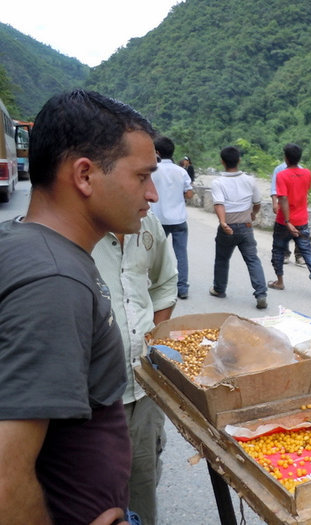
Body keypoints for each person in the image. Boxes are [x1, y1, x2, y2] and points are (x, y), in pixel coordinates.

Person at [0, 89, 159, 525]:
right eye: (142, 176)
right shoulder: (55, 283)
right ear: (85, 176)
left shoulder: (22, 241)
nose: (153, 195)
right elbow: (4, 482)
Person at [92, 211, 178, 525]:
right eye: (141, 176)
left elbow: (165, 282)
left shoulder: (148, 224)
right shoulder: (70, 230)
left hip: (143, 389)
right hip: (91, 401)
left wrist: (151, 342)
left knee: (142, 481)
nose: (152, 192)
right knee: (93, 495)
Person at [209, 146, 268, 309]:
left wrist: (223, 223)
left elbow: (219, 204)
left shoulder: (218, 182)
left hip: (228, 226)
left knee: (222, 259)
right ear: (239, 160)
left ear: (222, 162)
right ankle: (261, 294)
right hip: (246, 226)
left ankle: (219, 289)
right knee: (252, 260)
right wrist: (253, 214)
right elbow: (257, 203)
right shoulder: (249, 180)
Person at [267, 143, 311, 300]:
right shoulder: (307, 173)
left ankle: (279, 282)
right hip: (302, 219)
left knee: (278, 250)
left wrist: (287, 221)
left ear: (286, 158)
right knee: (306, 249)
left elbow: (283, 198)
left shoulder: (282, 175)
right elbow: (304, 191)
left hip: (284, 220)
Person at [150, 136, 193, 299]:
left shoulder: (153, 170)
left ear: (157, 152)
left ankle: (154, 284)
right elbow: (189, 194)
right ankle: (182, 288)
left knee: (154, 253)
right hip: (179, 219)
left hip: (158, 219)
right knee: (181, 253)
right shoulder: (181, 171)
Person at [271, 160, 303, 266]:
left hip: (296, 205)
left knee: (299, 228)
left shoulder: (301, 170)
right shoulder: (279, 169)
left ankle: (299, 255)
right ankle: (285, 254)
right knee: (283, 228)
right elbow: (274, 188)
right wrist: (274, 203)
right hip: (283, 203)